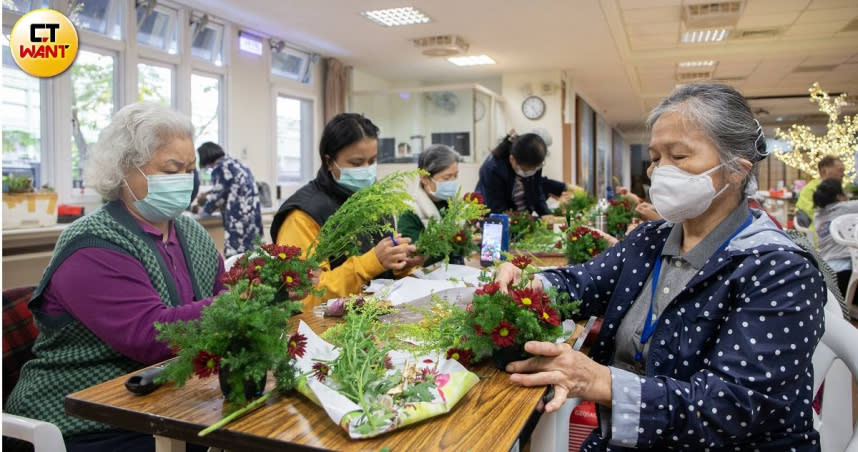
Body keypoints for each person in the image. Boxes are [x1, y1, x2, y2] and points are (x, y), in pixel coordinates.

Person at [495, 83, 825, 450]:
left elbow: (733, 407)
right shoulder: (652, 239)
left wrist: (599, 381)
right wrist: (531, 282)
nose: (659, 172)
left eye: (679, 157)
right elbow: (583, 282)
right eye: (655, 158)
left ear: (735, 171)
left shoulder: (779, 271)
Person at [5, 103, 225, 452]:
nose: (186, 180)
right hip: (82, 417)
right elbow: (150, 335)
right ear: (124, 169)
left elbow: (223, 293)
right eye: (172, 169)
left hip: (162, 401)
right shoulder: (93, 245)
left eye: (190, 169)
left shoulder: (190, 232)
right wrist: (240, 303)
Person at [270, 113, 417, 307]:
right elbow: (305, 296)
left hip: (380, 315)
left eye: (372, 161)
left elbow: (387, 269)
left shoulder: (374, 200)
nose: (367, 170)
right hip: (327, 329)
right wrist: (369, 263)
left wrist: (403, 263)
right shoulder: (303, 215)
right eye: (356, 163)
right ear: (329, 162)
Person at [397, 144, 463, 266]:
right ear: (424, 178)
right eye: (447, 177)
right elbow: (412, 257)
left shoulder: (450, 203)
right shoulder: (410, 212)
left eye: (455, 176)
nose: (453, 182)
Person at [196, 142, 263, 258]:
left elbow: (217, 197)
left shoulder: (221, 168)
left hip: (239, 222)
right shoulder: (237, 164)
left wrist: (203, 210)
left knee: (237, 261)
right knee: (254, 259)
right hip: (253, 219)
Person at [475, 131, 567, 215]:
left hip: (522, 218)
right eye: (524, 170)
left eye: (534, 169)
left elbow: (537, 191)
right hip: (496, 220)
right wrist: (525, 221)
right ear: (512, 159)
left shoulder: (535, 160)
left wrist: (545, 214)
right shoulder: (492, 169)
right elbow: (496, 210)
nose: (529, 173)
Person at [813, 178, 858, 307]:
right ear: (839, 196)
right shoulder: (845, 208)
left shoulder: (818, 215)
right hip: (846, 275)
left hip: (826, 273)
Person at [796, 155, 845, 227]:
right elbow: (813, 215)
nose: (843, 174)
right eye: (840, 170)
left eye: (843, 171)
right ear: (824, 171)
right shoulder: (810, 190)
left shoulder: (838, 188)